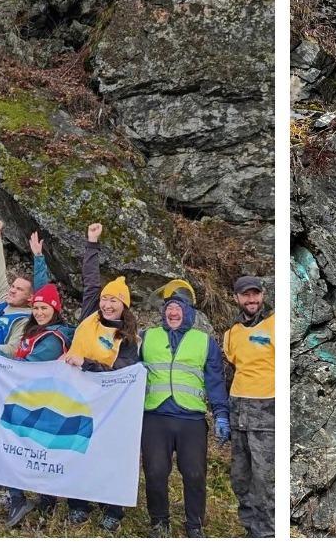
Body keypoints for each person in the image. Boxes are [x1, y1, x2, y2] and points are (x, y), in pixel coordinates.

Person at [0, 284, 74, 528]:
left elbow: (27, 364)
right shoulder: (35, 331)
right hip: (28, 399)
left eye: (44, 308)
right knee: (21, 448)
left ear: (55, 309)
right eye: (35, 308)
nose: (39, 312)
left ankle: (40, 500)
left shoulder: (53, 338)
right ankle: (23, 498)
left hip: (42, 402)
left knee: (34, 450)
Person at [61, 222, 140, 530]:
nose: (107, 304)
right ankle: (78, 503)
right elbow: (91, 283)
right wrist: (92, 244)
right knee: (76, 447)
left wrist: (87, 363)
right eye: (105, 299)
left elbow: (121, 372)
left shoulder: (130, 338)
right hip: (76, 396)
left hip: (109, 404)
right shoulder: (90, 316)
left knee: (109, 454)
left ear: (124, 305)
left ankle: (113, 509)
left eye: (114, 300)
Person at [140, 279, 230, 538]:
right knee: (155, 472)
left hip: (191, 419)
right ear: (163, 311)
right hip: (155, 417)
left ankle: (194, 525)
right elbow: (129, 372)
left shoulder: (204, 341)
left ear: (188, 311)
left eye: (178, 306)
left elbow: (215, 381)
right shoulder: (147, 338)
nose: (172, 311)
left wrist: (221, 414)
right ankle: (159, 522)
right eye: (168, 306)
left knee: (194, 473)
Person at [222, 276, 275, 538]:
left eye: (255, 294)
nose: (251, 299)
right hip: (238, 412)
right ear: (237, 298)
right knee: (240, 478)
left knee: (265, 481)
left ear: (262, 295)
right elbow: (235, 368)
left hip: (268, 416)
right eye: (246, 295)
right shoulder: (231, 334)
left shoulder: (276, 324)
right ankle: (249, 530)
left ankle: (267, 534)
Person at [0, 220, 49, 354]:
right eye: (13, 286)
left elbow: (12, 350)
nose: (12, 290)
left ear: (30, 297)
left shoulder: (26, 319)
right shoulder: (3, 299)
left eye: (19, 289)